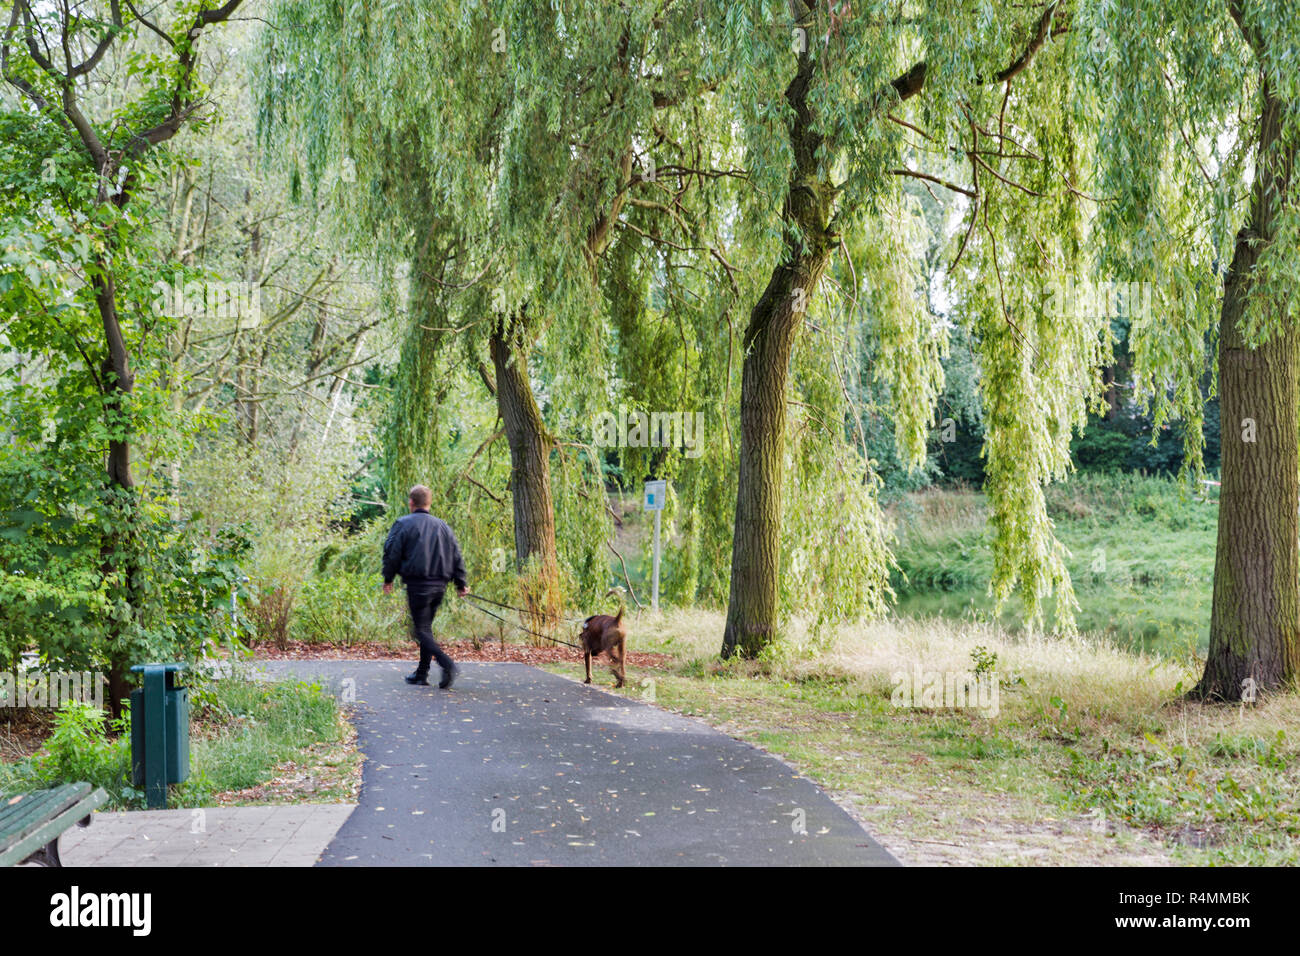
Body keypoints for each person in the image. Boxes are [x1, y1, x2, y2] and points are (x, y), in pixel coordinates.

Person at [382, 484, 468, 688]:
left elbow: (392, 552)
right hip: (440, 586)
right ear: (429, 503)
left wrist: (388, 578)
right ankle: (421, 673)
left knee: (419, 630)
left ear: (411, 502)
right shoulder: (443, 526)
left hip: (418, 584)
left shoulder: (403, 524)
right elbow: (456, 555)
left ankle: (446, 663)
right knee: (425, 629)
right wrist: (461, 583)